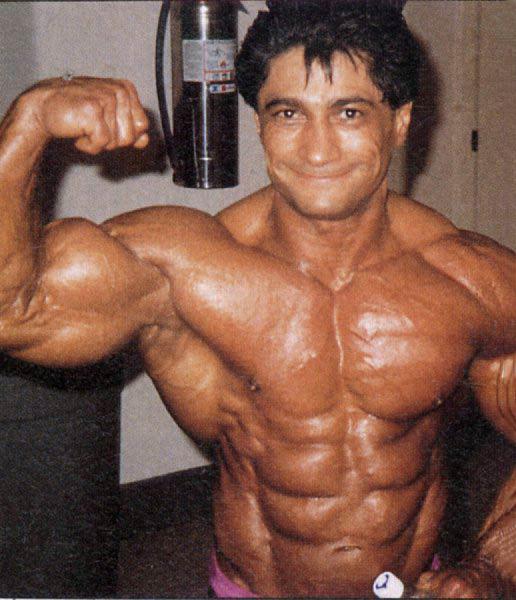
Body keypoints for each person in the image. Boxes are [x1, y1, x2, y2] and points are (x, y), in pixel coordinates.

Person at [0, 1, 514, 597]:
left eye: (349, 112)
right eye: (289, 113)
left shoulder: (469, 282)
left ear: (399, 123)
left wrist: (490, 566)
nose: (317, 150)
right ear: (259, 125)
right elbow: (14, 310)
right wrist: (28, 123)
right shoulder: (187, 270)